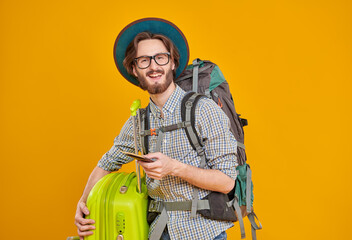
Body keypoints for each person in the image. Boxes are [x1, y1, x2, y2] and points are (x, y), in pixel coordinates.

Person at [74, 18, 238, 240]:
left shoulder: (203, 110)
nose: (153, 66)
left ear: (172, 63)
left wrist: (174, 168)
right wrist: (83, 204)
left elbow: (227, 181)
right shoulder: (139, 122)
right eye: (144, 60)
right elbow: (106, 163)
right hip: (159, 232)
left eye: (160, 58)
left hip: (204, 233)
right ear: (134, 69)